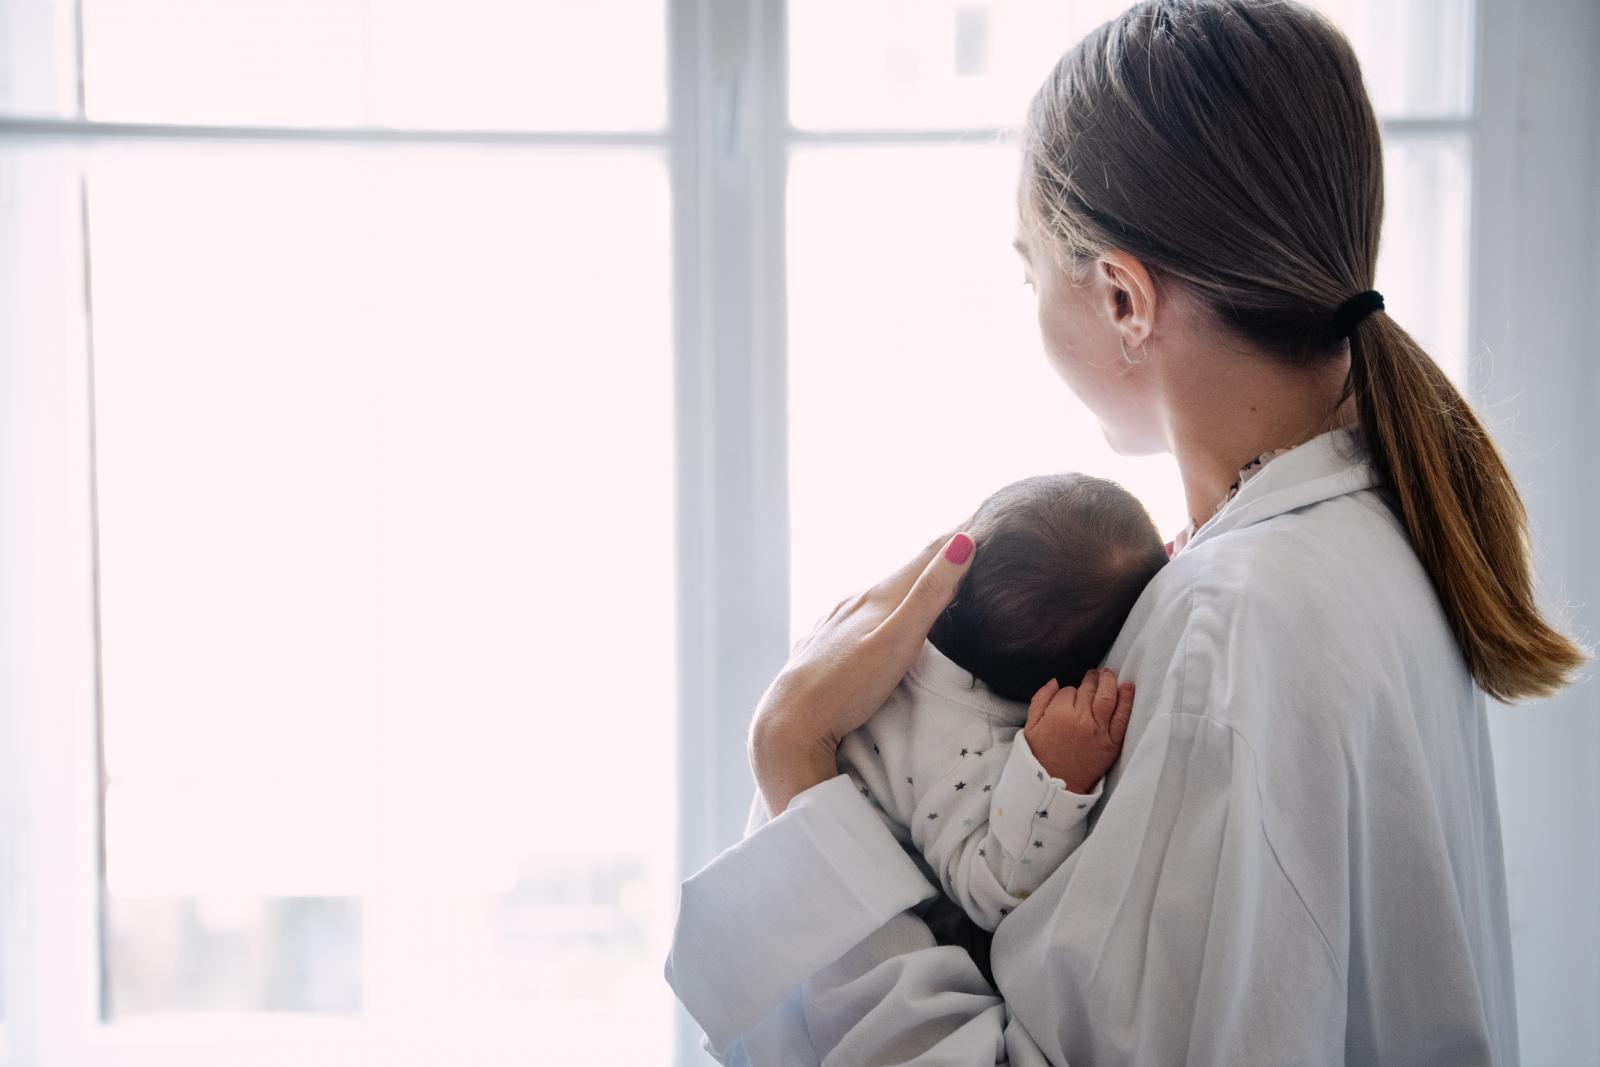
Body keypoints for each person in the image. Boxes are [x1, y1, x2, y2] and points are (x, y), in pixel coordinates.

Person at [664, 1, 1588, 1063]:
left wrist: (794, 758)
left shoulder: (1227, 626)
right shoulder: (1382, 534)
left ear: (1119, 297)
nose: (1029, 303)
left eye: (1029, 269)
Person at [756, 473, 1166, 999]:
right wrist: (1050, 775)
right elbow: (990, 895)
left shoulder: (882, 638)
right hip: (857, 934)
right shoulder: (969, 746)